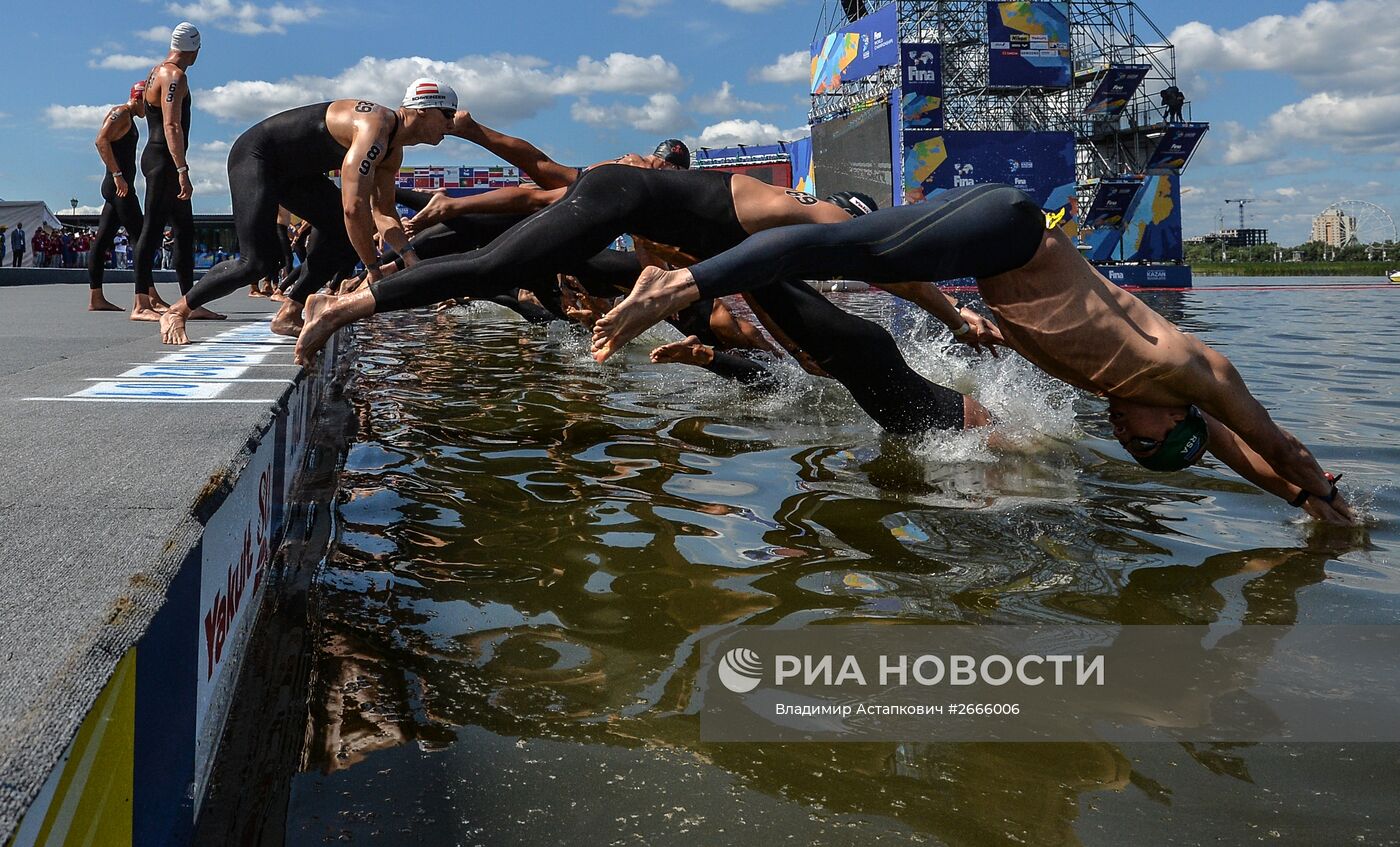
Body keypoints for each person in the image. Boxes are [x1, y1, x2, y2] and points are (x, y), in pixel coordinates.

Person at [591, 182, 1353, 523]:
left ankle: (691, 263)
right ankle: (677, 281)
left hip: (998, 236)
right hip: (1010, 234)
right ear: (1176, 414)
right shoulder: (1189, 371)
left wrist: (1297, 501)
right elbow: (1272, 440)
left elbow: (1230, 450)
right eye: (1142, 439)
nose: (1124, 434)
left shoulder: (1153, 398)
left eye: (1133, 446)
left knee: (842, 249)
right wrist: (1326, 490)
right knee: (839, 248)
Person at [295, 169, 995, 432]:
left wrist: (642, 299)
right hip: (617, 196)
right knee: (489, 266)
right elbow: (893, 270)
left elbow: (799, 332)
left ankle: (355, 302)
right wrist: (953, 315)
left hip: (621, 203)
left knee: (492, 267)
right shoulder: (823, 219)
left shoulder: (763, 259)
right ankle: (348, 307)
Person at [157, 78, 459, 344]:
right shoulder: (374, 127)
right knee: (258, 263)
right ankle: (178, 310)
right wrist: (374, 272)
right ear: (423, 109)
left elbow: (383, 213)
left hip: (295, 174)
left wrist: (412, 261)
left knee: (343, 238)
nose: (451, 125)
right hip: (257, 157)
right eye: (448, 115)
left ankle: (290, 312)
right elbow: (353, 208)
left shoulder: (393, 150)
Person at [132, 22, 211, 320]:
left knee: (184, 230)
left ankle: (190, 302)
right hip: (163, 160)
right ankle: (140, 304)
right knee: (153, 227)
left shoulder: (156, 71)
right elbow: (171, 124)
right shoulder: (175, 75)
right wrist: (182, 168)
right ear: (194, 50)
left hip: (157, 157)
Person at [88, 80, 150, 312]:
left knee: (103, 239)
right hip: (120, 187)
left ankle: (96, 298)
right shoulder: (121, 113)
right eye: (148, 103)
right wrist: (117, 175)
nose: (149, 109)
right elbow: (100, 140)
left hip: (119, 186)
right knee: (141, 237)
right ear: (138, 99)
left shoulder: (128, 118)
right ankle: (145, 301)